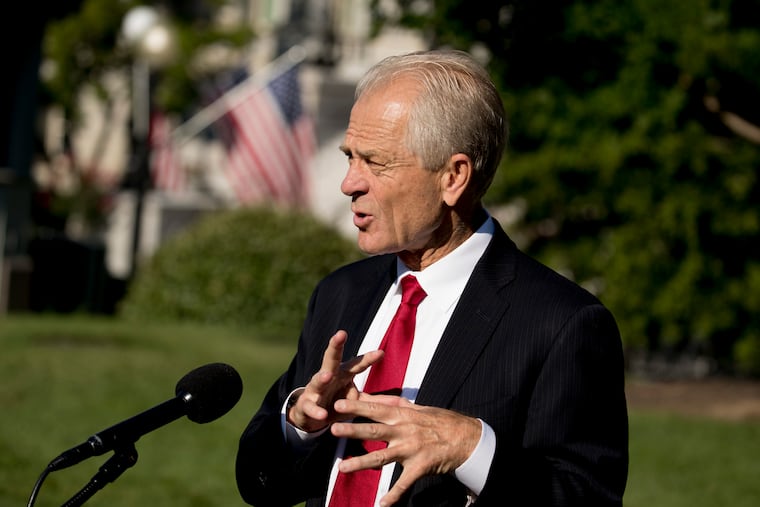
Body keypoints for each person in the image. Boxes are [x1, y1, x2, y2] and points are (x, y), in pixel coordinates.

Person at [235, 49, 628, 507]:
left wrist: (471, 450)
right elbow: (259, 483)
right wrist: (302, 426)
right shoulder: (341, 293)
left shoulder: (562, 322)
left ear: (453, 177)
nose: (349, 183)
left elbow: (585, 498)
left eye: (376, 163)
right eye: (349, 157)